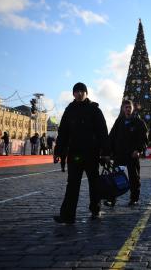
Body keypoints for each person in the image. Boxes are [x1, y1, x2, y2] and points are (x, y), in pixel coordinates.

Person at [53, 82, 110, 224]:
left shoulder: (94, 110)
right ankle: (67, 215)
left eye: (82, 91)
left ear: (86, 93)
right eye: (76, 91)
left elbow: (103, 132)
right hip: (75, 154)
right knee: (72, 184)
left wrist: (106, 153)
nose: (79, 93)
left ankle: (95, 210)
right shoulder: (69, 110)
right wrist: (58, 151)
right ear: (73, 94)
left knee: (94, 183)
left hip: (92, 153)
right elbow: (63, 134)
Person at [106, 100, 148, 207]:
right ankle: (112, 199)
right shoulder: (119, 121)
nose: (128, 109)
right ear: (122, 108)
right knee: (115, 177)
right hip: (119, 154)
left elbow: (143, 139)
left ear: (133, 108)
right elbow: (111, 137)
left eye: (129, 107)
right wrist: (108, 152)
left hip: (132, 155)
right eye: (126, 107)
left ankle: (134, 199)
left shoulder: (139, 122)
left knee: (134, 178)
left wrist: (138, 150)